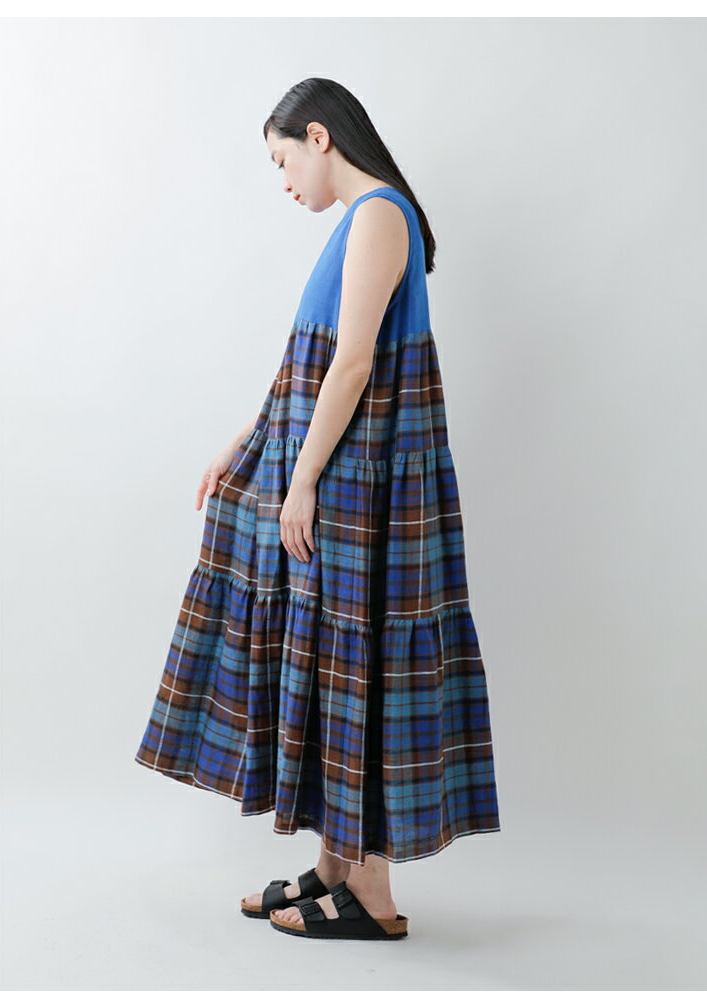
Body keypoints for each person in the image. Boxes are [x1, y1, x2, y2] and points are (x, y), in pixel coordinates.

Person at [135, 77, 501, 942]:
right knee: (338, 655)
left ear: (319, 136)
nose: (284, 179)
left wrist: (300, 482)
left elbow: (353, 365)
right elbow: (305, 370)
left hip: (357, 480)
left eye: (282, 159)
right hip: (343, 471)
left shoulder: (378, 216)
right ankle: (337, 869)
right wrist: (242, 443)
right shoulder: (362, 220)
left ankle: (372, 895)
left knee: (356, 657)